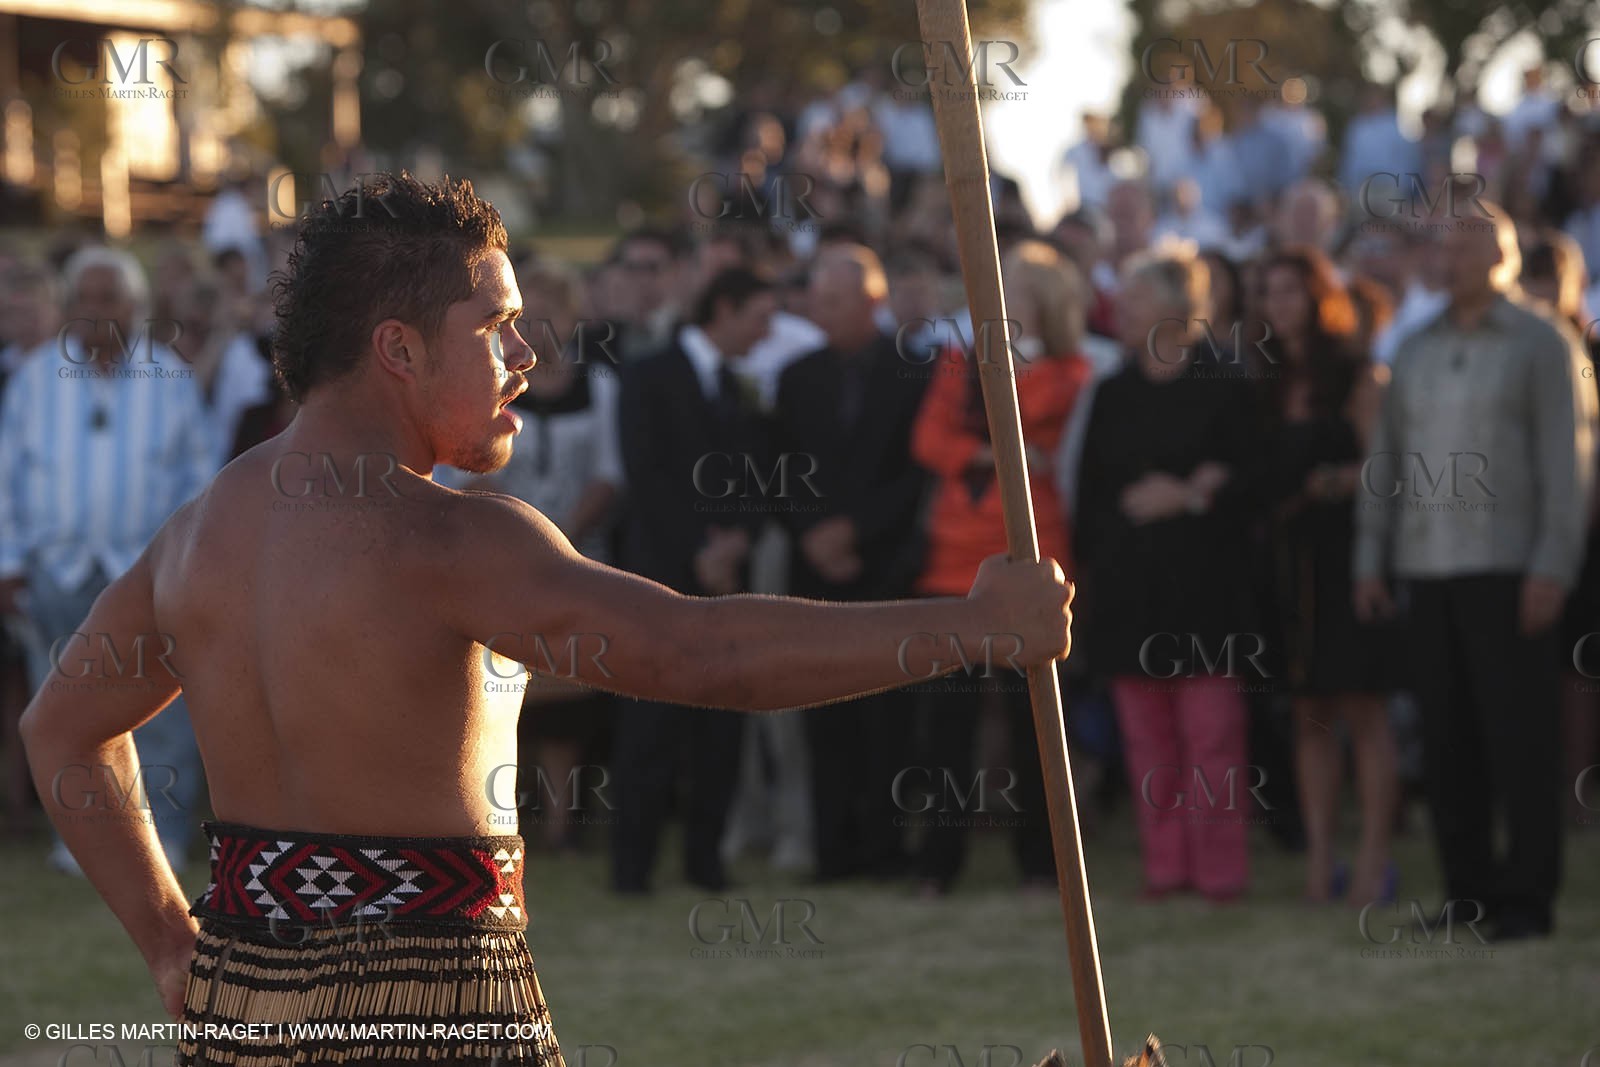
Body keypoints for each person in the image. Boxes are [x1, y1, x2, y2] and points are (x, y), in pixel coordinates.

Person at [19, 175, 1073, 1066]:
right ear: (397, 347)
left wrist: (171, 942)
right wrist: (973, 626)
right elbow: (704, 654)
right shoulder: (451, 540)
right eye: (493, 325)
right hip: (433, 1017)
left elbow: (59, 728)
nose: (525, 352)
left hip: (241, 1017)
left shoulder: (199, 531)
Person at [1353, 206, 1596, 940]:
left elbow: (1570, 464)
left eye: (1465, 245)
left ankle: (1526, 900)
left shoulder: (1540, 344)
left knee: (1518, 738)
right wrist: (1372, 556)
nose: (1448, 257)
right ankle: (1467, 893)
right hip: (1426, 568)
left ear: (1503, 256)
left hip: (1509, 568)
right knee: (1446, 736)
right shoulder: (1417, 347)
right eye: (1441, 245)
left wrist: (1552, 565)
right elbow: (1386, 461)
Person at [2, 247, 213, 877]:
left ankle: (165, 833)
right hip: (58, 571)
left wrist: (181, 566)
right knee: (64, 712)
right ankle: (82, 841)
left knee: (161, 713)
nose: (97, 311)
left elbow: (197, 478)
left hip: (145, 575)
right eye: (85, 299)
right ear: (67, 308)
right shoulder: (34, 378)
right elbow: (6, 478)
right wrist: (9, 564)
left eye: (110, 298)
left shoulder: (169, 377)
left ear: (138, 306)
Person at [1074, 248, 1266, 902]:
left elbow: (1257, 483)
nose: (1119, 312)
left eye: (1134, 301)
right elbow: (1092, 496)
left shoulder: (1228, 383)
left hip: (1209, 593)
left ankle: (1219, 870)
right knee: (1146, 741)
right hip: (1131, 593)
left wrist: (1190, 495)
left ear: (1176, 311)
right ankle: (1164, 865)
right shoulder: (1111, 392)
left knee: (1212, 738)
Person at [908, 240, 1092, 895]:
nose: (1001, 301)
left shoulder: (1069, 370)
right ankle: (938, 861)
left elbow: (1035, 421)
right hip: (952, 562)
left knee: (1034, 724)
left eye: (1014, 290)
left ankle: (1043, 862)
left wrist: (988, 444)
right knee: (947, 727)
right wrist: (988, 454)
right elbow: (929, 440)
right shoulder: (962, 360)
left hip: (1030, 560)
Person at [608, 266, 774, 895]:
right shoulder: (648, 375)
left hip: (728, 588)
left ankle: (707, 863)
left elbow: (763, 481)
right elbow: (645, 477)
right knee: (649, 726)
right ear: (724, 308)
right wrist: (699, 549)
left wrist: (738, 541)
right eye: (758, 317)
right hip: (656, 585)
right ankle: (633, 870)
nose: (766, 333)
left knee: (721, 726)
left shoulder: (740, 385)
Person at [771, 244, 930, 882]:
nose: (819, 311)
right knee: (823, 712)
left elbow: (915, 476)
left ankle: (886, 849)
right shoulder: (796, 376)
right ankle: (832, 851)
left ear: (872, 301)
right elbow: (780, 470)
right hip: (814, 574)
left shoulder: (917, 376)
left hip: (889, 569)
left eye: (834, 301)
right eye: (816, 300)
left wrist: (856, 531)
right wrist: (813, 533)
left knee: (889, 716)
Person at [1258, 247, 1400, 904]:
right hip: (1287, 567)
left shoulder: (1355, 371)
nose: (1278, 303)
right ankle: (1320, 861)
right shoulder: (1263, 376)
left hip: (1349, 558)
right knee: (1309, 711)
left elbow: (1388, 466)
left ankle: (1373, 859)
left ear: (1318, 296)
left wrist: (1342, 480)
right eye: (1269, 291)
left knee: (1363, 709)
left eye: (1290, 290)